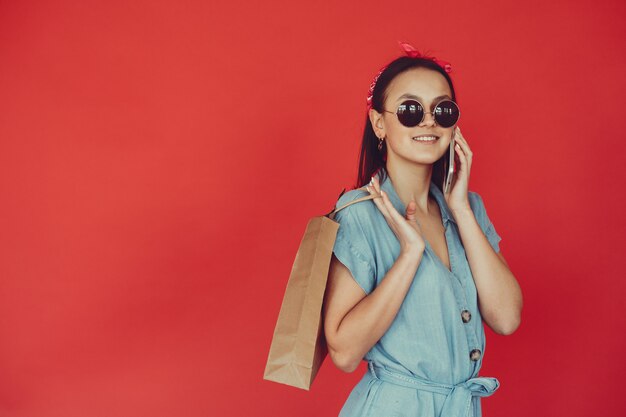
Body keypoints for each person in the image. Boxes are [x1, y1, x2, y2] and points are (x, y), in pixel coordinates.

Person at [322, 42, 523, 417]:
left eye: (442, 110)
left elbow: (507, 318)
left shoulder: (469, 209)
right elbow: (345, 353)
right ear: (379, 123)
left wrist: (460, 209)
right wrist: (409, 255)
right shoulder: (358, 216)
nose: (428, 121)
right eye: (411, 110)